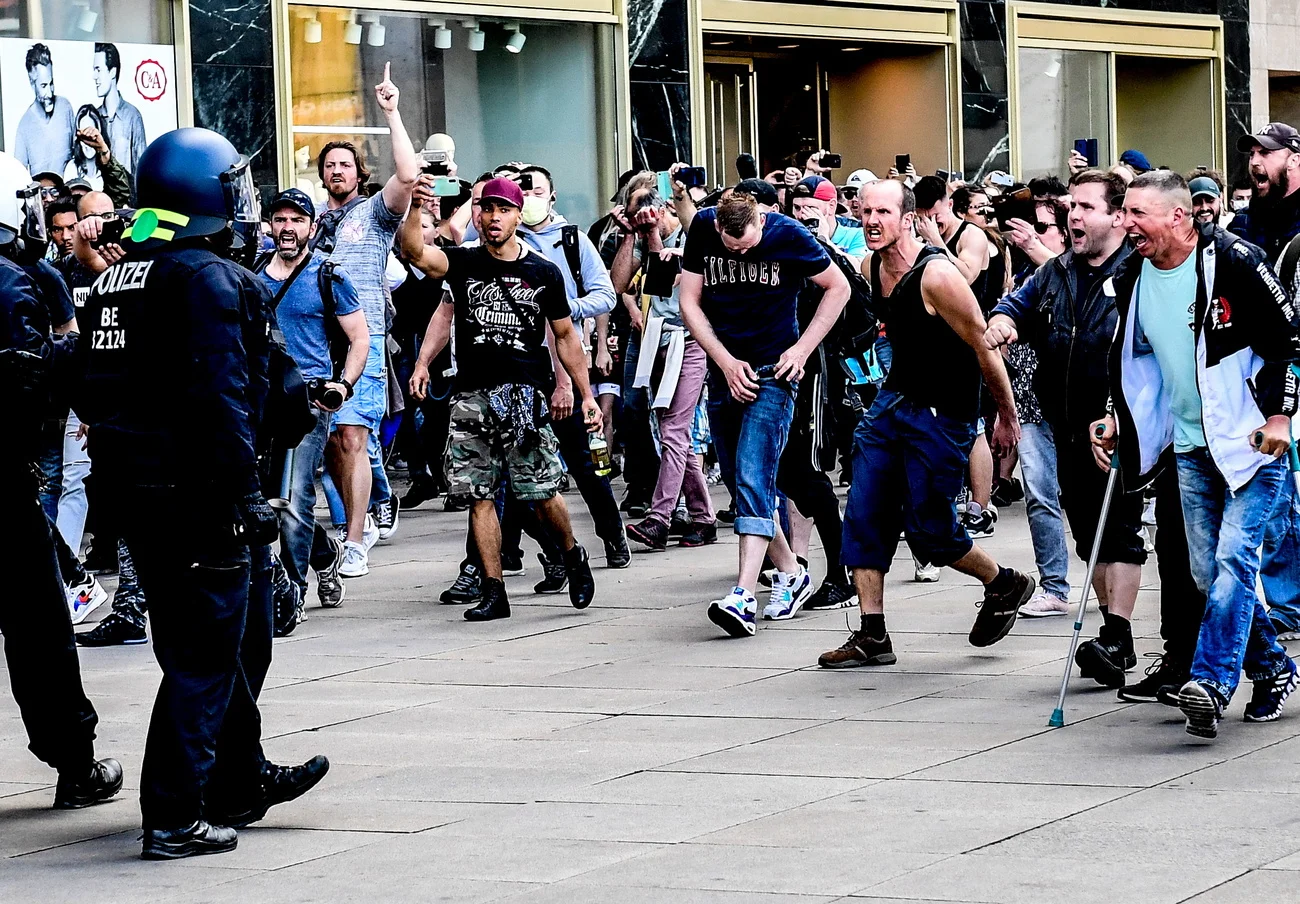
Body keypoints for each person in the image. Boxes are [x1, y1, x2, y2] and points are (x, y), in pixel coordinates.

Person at [77, 128, 328, 858]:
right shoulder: (208, 280)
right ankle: (175, 816)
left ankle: (239, 776)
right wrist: (247, 496)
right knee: (204, 659)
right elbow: (223, 400)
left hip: (140, 495)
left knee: (219, 646)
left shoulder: (123, 277)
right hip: (200, 496)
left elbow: (90, 383)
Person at [1093, 170, 1300, 740]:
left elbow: (1289, 342)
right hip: (1189, 446)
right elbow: (1138, 359)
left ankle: (1209, 683)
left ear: (1178, 217)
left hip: (1252, 443)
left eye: (1137, 213)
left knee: (1235, 561)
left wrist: (1280, 417)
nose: (1125, 223)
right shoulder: (1131, 273)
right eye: (1124, 212)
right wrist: (1121, 416)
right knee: (1206, 570)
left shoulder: (1234, 260)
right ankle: (1274, 667)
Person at [818, 179, 1034, 668]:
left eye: (883, 212)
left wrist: (1005, 415)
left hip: (945, 414)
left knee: (931, 532)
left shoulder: (937, 276)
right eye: (865, 211)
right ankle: (873, 635)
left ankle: (1003, 581)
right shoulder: (872, 265)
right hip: (892, 405)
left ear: (909, 217)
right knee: (864, 514)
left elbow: (984, 345)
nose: (872, 221)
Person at [406, 176, 602, 620]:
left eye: (503, 210)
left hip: (524, 399)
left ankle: (572, 554)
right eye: (486, 210)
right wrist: (408, 206)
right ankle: (494, 590)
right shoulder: (463, 262)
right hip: (472, 395)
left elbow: (566, 336)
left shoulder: (542, 272)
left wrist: (583, 393)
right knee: (478, 495)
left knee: (543, 492)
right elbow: (416, 254)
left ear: (518, 215)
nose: (493, 218)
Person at [984, 171, 1149, 687]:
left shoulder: (1139, 272)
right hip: (1066, 423)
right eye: (1071, 207)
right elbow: (1019, 303)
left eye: (1086, 208)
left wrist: (1123, 412)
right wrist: (1005, 320)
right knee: (1087, 532)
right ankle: (1113, 634)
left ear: (1118, 217)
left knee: (1116, 527)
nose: (1073, 216)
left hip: (1120, 422)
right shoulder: (1056, 270)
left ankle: (1118, 636)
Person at [0, 150, 123, 811]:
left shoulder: (28, 277)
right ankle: (75, 762)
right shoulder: (16, 283)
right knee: (39, 631)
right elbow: (41, 378)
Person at [678, 191, 850, 637]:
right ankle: (792, 573)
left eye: (747, 246)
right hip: (726, 369)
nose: (739, 253)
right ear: (718, 226)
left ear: (760, 221)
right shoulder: (702, 227)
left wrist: (802, 348)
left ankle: (743, 595)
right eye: (731, 248)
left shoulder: (787, 234)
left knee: (754, 475)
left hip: (776, 370)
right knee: (738, 480)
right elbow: (689, 302)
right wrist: (723, 361)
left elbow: (839, 287)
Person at [316, 64, 419, 578]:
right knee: (335, 442)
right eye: (330, 165)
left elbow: (408, 175)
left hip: (366, 343)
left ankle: (354, 538)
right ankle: (372, 503)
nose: (337, 171)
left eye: (345, 165)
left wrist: (391, 112)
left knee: (354, 436)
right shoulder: (308, 223)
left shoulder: (375, 215)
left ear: (358, 174)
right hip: (318, 346)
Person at [257, 189, 370, 613]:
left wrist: (343, 384)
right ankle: (324, 555)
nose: (288, 228)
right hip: (260, 400)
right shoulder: (251, 276)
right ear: (270, 225)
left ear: (311, 226)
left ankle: (291, 596)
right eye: (281, 219)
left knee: (294, 496)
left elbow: (360, 339)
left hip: (307, 400)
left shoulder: (329, 276)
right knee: (267, 497)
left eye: (296, 220)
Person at [516, 164, 631, 569]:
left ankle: (612, 535)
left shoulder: (570, 240)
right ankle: (513, 554)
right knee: (515, 469)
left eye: (535, 190)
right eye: (520, 190)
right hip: (519, 370)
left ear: (551, 197)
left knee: (585, 463)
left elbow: (606, 295)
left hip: (565, 364)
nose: (527, 198)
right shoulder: (499, 242)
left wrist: (563, 312)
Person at [610, 184, 716, 551]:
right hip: (656, 340)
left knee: (674, 430)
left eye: (649, 220)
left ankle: (660, 518)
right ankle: (703, 517)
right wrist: (630, 238)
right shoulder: (641, 236)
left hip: (692, 341)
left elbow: (661, 280)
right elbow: (617, 285)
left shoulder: (694, 234)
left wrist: (653, 234)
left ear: (665, 210)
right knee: (671, 432)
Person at [993, 197, 1073, 618]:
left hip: (1073, 401)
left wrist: (1036, 248)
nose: (1031, 235)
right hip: (1028, 398)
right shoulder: (1025, 271)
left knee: (1086, 500)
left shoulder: (1068, 269)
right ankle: (1055, 585)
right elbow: (1005, 315)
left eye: (1042, 228)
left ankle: (1112, 576)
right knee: (1040, 496)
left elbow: (1066, 273)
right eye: (1027, 228)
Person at [913, 175, 998, 538]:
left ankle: (982, 506)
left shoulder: (971, 235)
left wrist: (934, 243)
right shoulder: (923, 232)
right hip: (936, 340)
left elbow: (964, 275)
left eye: (936, 214)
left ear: (948, 204)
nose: (933, 222)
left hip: (971, 337)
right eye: (923, 216)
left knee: (974, 424)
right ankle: (950, 500)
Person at [15, 43, 75, 177]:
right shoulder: (24, 126)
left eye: (51, 83)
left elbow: (79, 155)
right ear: (32, 83)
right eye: (43, 85)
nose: (49, 92)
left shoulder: (65, 107)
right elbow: (19, 178)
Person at [92, 43, 148, 175]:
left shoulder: (132, 116)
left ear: (112, 72)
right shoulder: (94, 117)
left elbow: (141, 166)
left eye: (98, 70)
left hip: (126, 195)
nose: (94, 76)